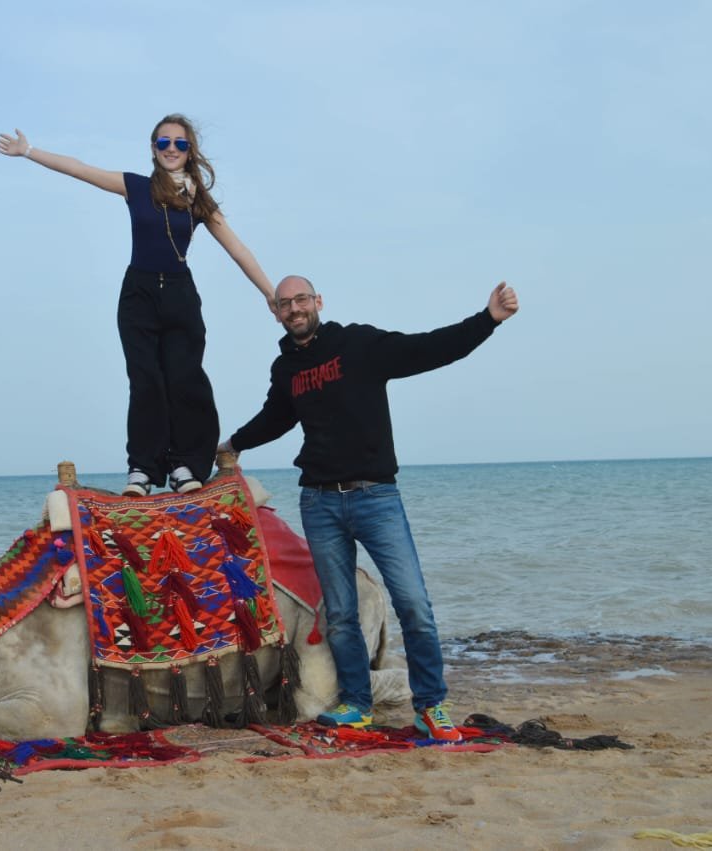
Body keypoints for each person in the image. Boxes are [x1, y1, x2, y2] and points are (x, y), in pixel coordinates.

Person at [219, 275, 519, 741]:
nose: (295, 308)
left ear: (318, 301)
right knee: (340, 614)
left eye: (301, 299)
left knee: (413, 604)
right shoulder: (287, 368)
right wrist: (233, 444)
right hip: (319, 502)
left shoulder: (358, 344)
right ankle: (357, 704)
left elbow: (428, 349)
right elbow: (276, 417)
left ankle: (431, 706)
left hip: (376, 497)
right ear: (276, 313)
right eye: (285, 303)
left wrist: (488, 320)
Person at [0, 116, 275, 496]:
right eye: (164, 143)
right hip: (138, 294)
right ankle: (142, 468)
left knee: (185, 379)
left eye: (180, 143)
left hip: (179, 294)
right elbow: (79, 169)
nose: (172, 149)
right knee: (146, 381)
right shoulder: (136, 187)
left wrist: (270, 293)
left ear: (190, 151)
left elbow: (237, 249)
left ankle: (185, 465)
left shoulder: (198, 200)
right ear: (153, 149)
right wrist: (28, 151)